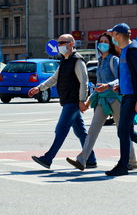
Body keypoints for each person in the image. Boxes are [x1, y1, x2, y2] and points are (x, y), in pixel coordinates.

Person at [66, 33, 137, 170]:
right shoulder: (100, 61)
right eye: (101, 41)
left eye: (105, 41)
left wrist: (108, 85)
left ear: (110, 45)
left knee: (123, 131)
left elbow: (120, 80)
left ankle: (132, 160)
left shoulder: (114, 60)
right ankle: (82, 160)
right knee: (92, 130)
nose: (102, 44)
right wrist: (88, 101)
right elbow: (98, 85)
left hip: (116, 99)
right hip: (102, 100)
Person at [28, 34, 97, 169]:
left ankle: (48, 158)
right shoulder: (65, 60)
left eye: (62, 43)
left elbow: (84, 82)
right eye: (58, 43)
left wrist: (82, 100)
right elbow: (54, 78)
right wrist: (39, 88)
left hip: (73, 101)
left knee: (61, 130)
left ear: (71, 44)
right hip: (68, 101)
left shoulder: (77, 60)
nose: (59, 46)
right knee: (80, 132)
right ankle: (91, 159)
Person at [105, 23, 137, 176]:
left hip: (132, 97)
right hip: (126, 95)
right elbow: (128, 76)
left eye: (113, 35)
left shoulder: (132, 51)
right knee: (129, 132)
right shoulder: (124, 51)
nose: (112, 38)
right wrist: (120, 87)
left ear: (118, 35)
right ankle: (123, 164)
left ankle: (123, 165)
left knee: (123, 130)